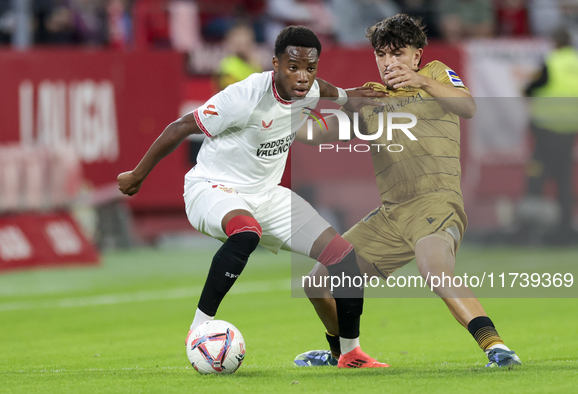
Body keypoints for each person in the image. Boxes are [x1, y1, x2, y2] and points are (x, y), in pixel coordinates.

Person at [117, 25, 389, 369]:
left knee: (344, 259)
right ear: (275, 64)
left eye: (310, 68)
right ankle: (199, 327)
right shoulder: (244, 96)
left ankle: (349, 353)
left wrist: (349, 96)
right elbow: (182, 126)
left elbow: (323, 88)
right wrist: (137, 175)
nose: (303, 77)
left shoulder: (308, 87)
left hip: (267, 195)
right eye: (293, 68)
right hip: (213, 187)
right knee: (247, 233)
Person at [295, 14, 522, 368]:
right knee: (317, 284)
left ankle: (497, 347)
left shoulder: (435, 74)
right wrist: (286, 117)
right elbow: (317, 134)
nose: (389, 63)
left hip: (435, 202)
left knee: (434, 270)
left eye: (397, 54)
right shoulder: (371, 98)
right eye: (381, 55)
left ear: (417, 55)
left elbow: (469, 106)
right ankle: (343, 354)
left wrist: (419, 80)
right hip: (389, 216)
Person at [523, 27, 578, 242]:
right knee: (564, 179)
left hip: (547, 128)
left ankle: (531, 227)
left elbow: (532, 88)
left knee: (537, 174)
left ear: (556, 42)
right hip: (570, 129)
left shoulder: (552, 62)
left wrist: (524, 90)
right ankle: (566, 227)